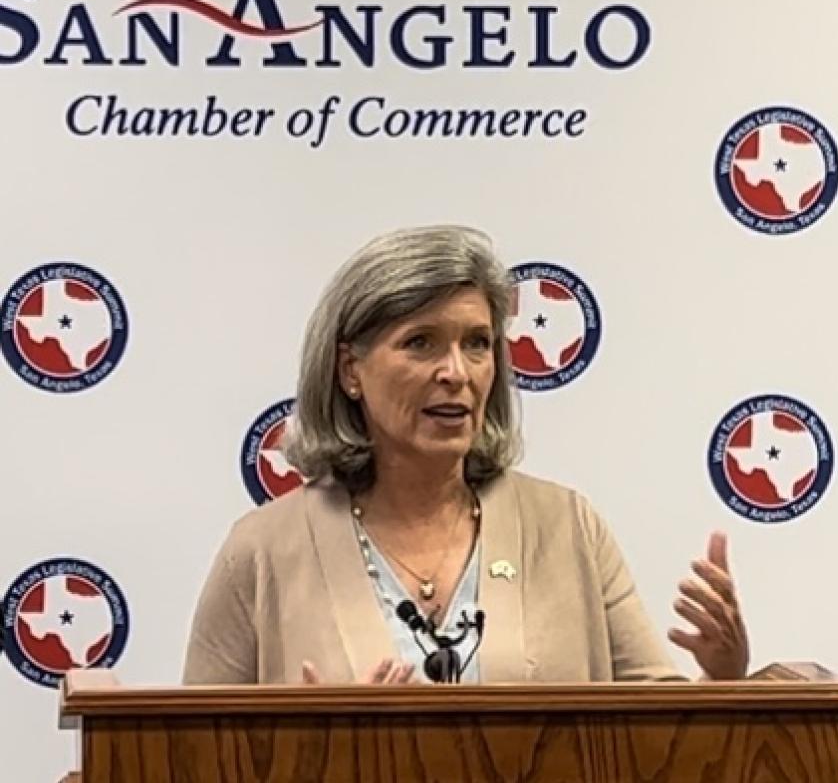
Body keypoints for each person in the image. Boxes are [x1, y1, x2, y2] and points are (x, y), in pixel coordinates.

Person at [183, 225, 749, 685]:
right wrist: (313, 751)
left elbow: (661, 737)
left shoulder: (567, 528)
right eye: (420, 342)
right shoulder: (262, 551)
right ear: (350, 370)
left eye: (476, 343)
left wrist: (721, 677)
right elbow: (190, 759)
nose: (456, 373)